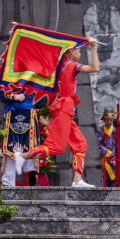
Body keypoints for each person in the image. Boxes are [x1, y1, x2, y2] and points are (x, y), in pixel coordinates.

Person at [15, 38, 100, 188]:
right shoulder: (71, 65)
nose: (80, 52)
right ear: (70, 52)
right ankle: (22, 156)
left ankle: (77, 180)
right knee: (57, 147)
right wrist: (93, 47)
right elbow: (95, 68)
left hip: (65, 108)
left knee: (80, 144)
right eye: (78, 50)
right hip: (64, 108)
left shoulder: (60, 67)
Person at [0, 90, 40, 186]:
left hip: (30, 114)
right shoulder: (7, 75)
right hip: (12, 114)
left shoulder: (34, 76)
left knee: (31, 145)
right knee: (10, 147)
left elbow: (41, 94)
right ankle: (8, 182)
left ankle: (32, 176)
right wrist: (13, 97)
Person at [97, 109, 117, 187]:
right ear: (104, 120)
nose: (109, 122)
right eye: (107, 120)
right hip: (103, 157)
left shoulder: (115, 131)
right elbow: (98, 144)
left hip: (113, 158)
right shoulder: (99, 130)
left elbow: (118, 145)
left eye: (110, 120)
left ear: (113, 121)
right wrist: (107, 152)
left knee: (114, 179)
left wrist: (113, 153)